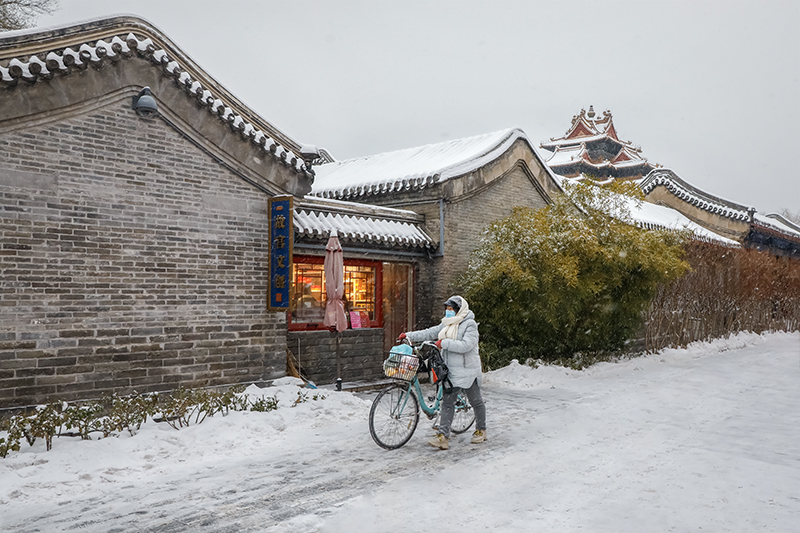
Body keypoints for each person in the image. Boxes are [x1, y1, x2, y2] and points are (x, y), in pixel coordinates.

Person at [399, 295, 487, 450]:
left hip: (467, 371)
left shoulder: (470, 325)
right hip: (450, 370)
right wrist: (410, 335)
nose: (448, 311)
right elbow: (431, 332)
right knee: (447, 403)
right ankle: (443, 437)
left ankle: (481, 429)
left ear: (459, 310)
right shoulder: (447, 323)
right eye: (447, 308)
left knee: (476, 401)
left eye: (451, 309)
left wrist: (444, 343)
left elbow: (466, 345)